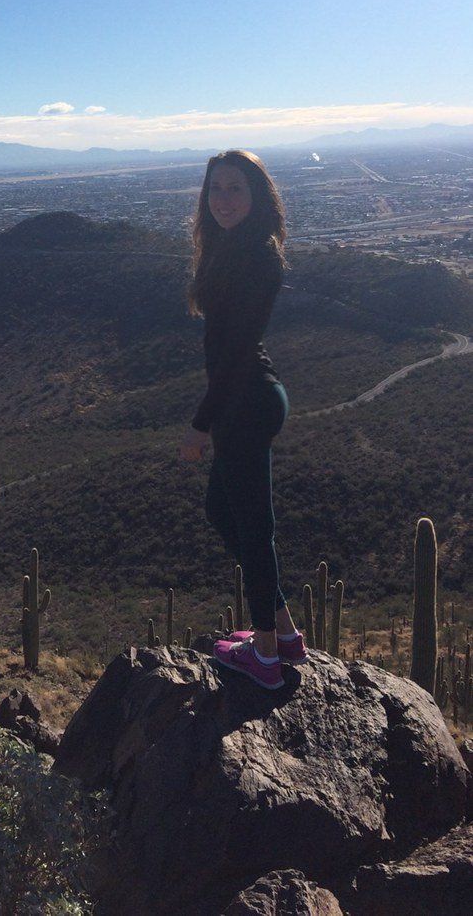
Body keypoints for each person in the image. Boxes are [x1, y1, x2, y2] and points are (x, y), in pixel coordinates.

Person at [179, 149, 308, 690]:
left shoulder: (255, 255)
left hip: (245, 402)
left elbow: (232, 354)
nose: (223, 199)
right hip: (249, 398)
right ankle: (284, 633)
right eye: (216, 189)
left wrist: (200, 424)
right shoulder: (232, 249)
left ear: (257, 195)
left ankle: (265, 655)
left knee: (254, 528)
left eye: (235, 188)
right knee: (223, 511)